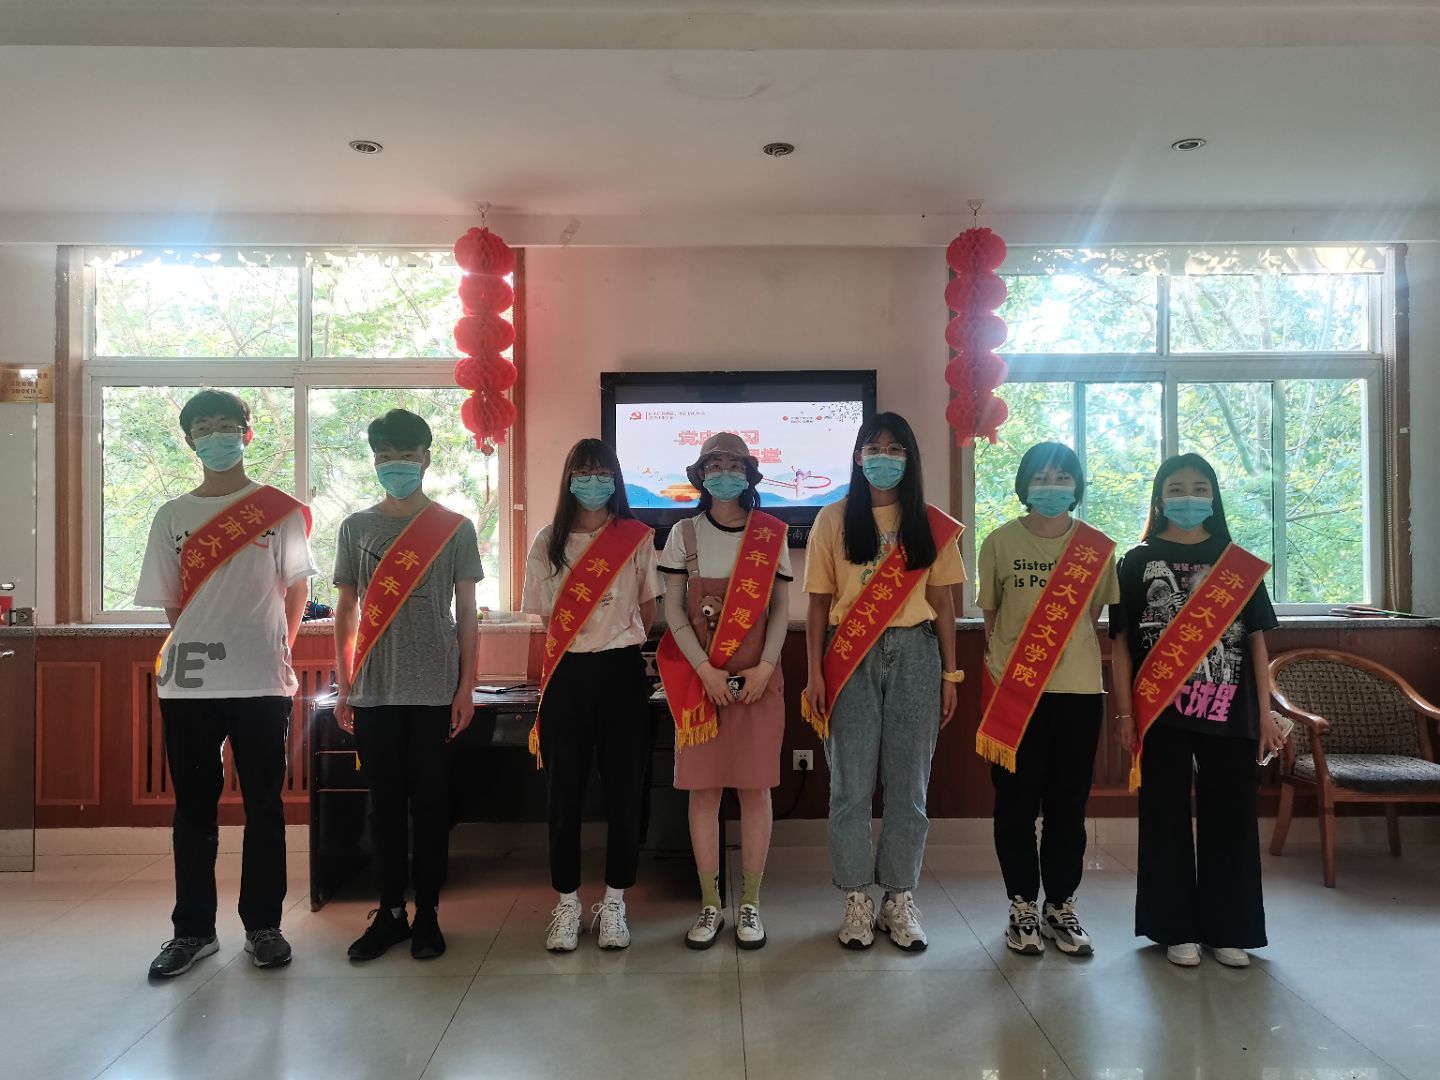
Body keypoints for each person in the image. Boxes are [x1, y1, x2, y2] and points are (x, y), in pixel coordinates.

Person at [137, 390, 316, 978]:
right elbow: (173, 604)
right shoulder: (172, 515)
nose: (216, 436)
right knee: (193, 809)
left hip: (261, 677)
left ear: (246, 433)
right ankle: (192, 932)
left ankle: (264, 926)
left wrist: (280, 647)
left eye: (226, 425)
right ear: (190, 441)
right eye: (203, 428)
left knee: (265, 805)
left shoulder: (278, 510)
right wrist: (200, 643)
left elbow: (296, 588)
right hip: (189, 684)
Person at [1109, 453, 1285, 968]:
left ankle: (1228, 929)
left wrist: (1266, 713)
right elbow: (1120, 643)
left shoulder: (1237, 562)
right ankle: (1174, 929)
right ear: (1160, 497)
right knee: (1163, 817)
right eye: (1177, 487)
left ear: (1214, 496)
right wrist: (1126, 714)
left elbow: (1256, 641)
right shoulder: (1136, 561)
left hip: (1230, 707)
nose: (1188, 496)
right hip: (1159, 711)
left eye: (1199, 487)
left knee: (1232, 818)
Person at [802, 411, 965, 952]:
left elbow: (943, 603)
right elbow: (818, 605)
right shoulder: (832, 519)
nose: (884, 459)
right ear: (857, 457)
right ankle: (856, 898)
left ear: (909, 459)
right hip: (848, 658)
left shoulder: (931, 524)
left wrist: (950, 673)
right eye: (874, 449)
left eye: (896, 450)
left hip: (917, 653)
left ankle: (898, 896)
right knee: (850, 787)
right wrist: (814, 674)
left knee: (909, 787)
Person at [332, 409, 483, 962]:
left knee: (432, 807)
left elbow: (467, 612)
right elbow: (346, 610)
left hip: (435, 689)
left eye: (406, 455)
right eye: (385, 457)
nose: (395, 465)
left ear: (426, 458)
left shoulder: (454, 527)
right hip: (374, 690)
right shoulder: (356, 527)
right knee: (385, 808)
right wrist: (344, 685)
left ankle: (429, 915)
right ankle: (391, 912)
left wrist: (466, 687)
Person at [976, 443, 1119, 957]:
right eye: (1042, 476)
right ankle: (1021, 907)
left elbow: (1091, 619)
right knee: (1014, 807)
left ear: (1076, 486)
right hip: (1014, 692)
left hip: (1078, 693)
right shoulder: (998, 541)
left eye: (1063, 477)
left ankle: (1060, 905)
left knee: (1068, 807)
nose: (1052, 486)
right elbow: (992, 619)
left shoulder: (1097, 549)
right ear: (1025, 484)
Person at [522, 439, 660, 952]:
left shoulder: (635, 536)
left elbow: (647, 608)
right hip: (566, 675)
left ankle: (615, 901)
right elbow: (544, 615)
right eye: (583, 472)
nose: (593, 481)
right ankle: (567, 902)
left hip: (621, 674)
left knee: (625, 792)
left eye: (603, 472)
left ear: (616, 479)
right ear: (569, 479)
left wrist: (613, 644)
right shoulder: (547, 540)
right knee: (564, 795)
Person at [656, 433, 791, 951]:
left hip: (759, 681)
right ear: (700, 475)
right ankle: (711, 904)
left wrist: (765, 667)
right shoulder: (683, 533)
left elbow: (780, 609)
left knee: (755, 791)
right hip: (701, 685)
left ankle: (751, 903)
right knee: (704, 792)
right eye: (714, 465)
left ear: (749, 473)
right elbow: (673, 610)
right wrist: (704, 671)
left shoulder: (771, 534)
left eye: (735, 465)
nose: (725, 473)